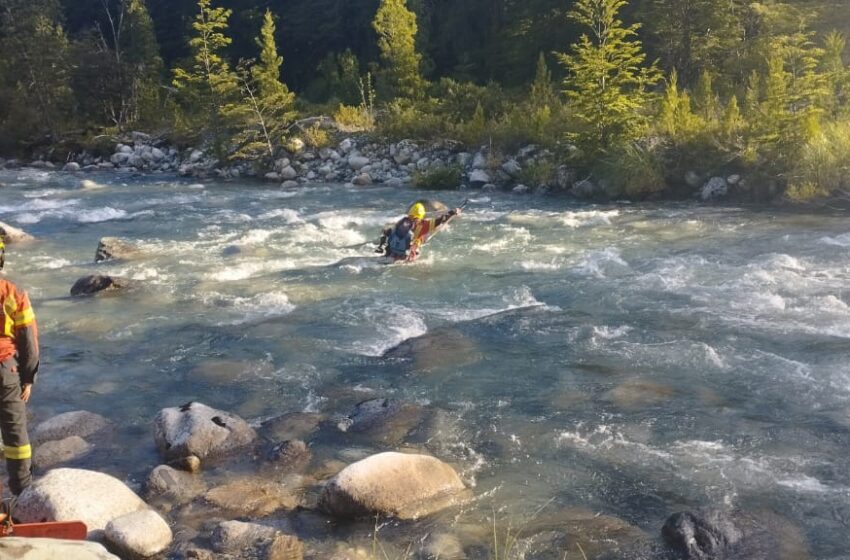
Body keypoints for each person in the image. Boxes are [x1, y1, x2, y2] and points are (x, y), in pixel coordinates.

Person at [0, 237, 38, 496]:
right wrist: (28, 377)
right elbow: (28, 341)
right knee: (15, 436)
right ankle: (22, 494)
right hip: (6, 371)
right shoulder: (13, 293)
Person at [379, 202, 463, 262]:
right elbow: (441, 219)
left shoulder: (401, 222)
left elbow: (386, 233)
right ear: (420, 217)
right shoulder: (423, 224)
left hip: (392, 253)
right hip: (407, 256)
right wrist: (453, 212)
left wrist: (381, 247)